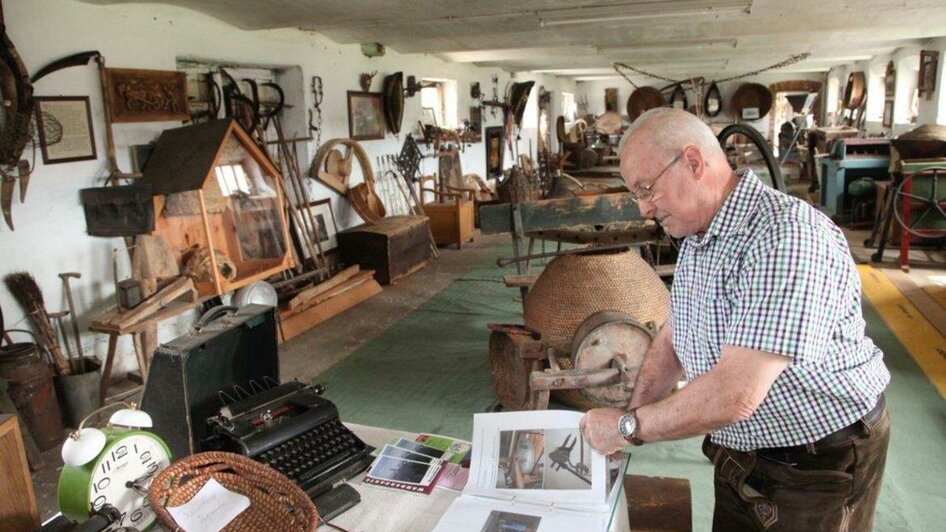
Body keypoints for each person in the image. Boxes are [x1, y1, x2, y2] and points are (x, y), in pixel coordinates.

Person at [579, 108, 890, 531]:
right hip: (742, 448)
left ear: (693, 162)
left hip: (817, 458)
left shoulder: (786, 236)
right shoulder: (697, 233)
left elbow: (736, 393)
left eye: (647, 189)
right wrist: (632, 416)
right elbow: (675, 334)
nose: (644, 208)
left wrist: (629, 427)